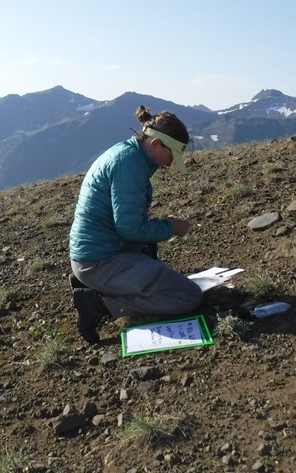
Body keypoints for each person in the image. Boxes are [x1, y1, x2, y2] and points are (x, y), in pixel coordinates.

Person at [68, 105, 203, 344]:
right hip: (100, 261)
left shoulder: (128, 155)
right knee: (187, 296)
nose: (171, 163)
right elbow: (129, 228)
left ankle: (101, 285)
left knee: (153, 261)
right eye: (171, 155)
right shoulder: (128, 166)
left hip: (97, 254)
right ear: (155, 144)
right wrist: (170, 228)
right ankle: (100, 303)